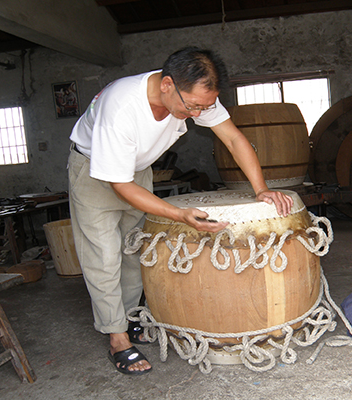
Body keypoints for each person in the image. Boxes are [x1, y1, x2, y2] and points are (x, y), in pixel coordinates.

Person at [67, 47, 293, 375]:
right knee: (102, 256)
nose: (200, 114)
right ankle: (116, 338)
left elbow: (232, 138)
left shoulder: (195, 96)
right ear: (167, 85)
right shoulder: (122, 107)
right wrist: (178, 216)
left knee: (134, 251)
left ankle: (129, 321)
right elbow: (119, 185)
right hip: (93, 170)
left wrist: (261, 188)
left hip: (135, 170)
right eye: (193, 107)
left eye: (205, 106)